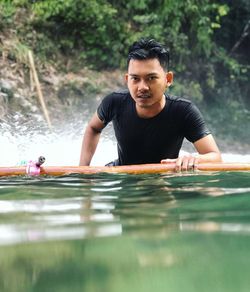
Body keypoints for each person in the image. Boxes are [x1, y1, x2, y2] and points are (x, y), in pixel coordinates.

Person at [79, 38, 222, 171]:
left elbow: (216, 157)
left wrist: (194, 158)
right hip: (122, 175)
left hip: (162, 181)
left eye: (151, 78)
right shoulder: (115, 102)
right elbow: (93, 128)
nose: (142, 87)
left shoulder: (183, 111)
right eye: (135, 79)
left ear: (168, 79)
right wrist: (83, 169)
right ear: (127, 79)